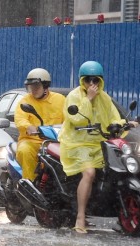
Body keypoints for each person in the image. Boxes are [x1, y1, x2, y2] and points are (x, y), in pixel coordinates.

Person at [59, 61, 138, 233]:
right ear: (82, 80)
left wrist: (121, 124)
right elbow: (78, 119)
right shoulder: (74, 96)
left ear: (101, 80)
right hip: (77, 143)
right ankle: (80, 217)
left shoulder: (105, 97)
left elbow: (113, 117)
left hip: (99, 143)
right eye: (88, 80)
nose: (92, 84)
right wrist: (88, 99)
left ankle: (119, 213)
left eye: (96, 80)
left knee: (119, 170)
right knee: (89, 173)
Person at [14, 68, 66, 180]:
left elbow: (69, 120)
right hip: (31, 141)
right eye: (31, 87)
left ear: (45, 85)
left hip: (55, 142)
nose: (33, 90)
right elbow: (20, 119)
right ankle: (29, 184)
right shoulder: (25, 101)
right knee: (25, 151)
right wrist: (28, 127)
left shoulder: (60, 100)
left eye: (36, 86)